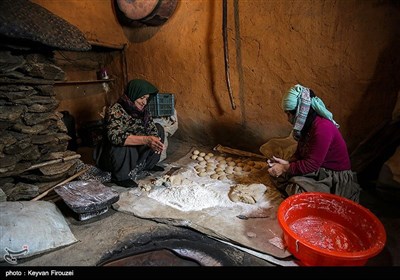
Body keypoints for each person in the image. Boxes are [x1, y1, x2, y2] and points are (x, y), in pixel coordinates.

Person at [267, 84, 361, 202]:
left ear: (301, 111)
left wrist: (285, 168)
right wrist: (287, 162)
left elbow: (311, 164)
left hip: (332, 175)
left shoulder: (323, 128)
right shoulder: (307, 126)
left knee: (298, 191)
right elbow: (302, 152)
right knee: (279, 176)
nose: (288, 119)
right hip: (318, 167)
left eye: (289, 114)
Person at [93, 79, 166, 188]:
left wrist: (154, 141)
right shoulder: (116, 109)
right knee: (125, 140)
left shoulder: (143, 112)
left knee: (159, 129)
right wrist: (145, 140)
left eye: (146, 98)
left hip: (134, 153)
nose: (144, 102)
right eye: (141, 98)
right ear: (133, 94)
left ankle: (148, 165)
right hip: (113, 156)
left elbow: (152, 129)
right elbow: (115, 137)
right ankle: (121, 177)